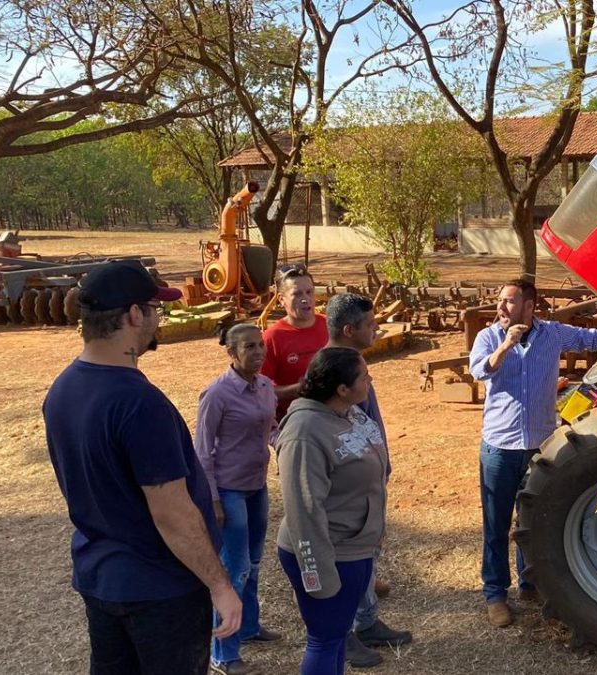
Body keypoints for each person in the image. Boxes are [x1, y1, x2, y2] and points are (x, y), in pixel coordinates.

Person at [43, 260, 242, 675]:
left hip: (101, 580)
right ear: (134, 314)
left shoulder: (62, 389)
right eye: (156, 308)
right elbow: (171, 513)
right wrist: (221, 586)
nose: (159, 317)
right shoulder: (139, 404)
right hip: (160, 590)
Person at [467, 279, 597, 627]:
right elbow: (480, 371)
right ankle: (495, 594)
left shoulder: (552, 335)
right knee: (496, 523)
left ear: (529, 305)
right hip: (499, 447)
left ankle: (529, 584)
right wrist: (507, 344)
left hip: (539, 445)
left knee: (532, 519)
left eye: (508, 301)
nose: (501, 307)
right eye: (500, 301)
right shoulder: (490, 337)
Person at [276, 348, 388, 675]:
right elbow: (304, 509)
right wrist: (319, 574)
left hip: (354, 548)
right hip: (331, 553)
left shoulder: (348, 412)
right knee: (324, 638)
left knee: (337, 635)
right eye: (364, 377)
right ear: (341, 388)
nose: (370, 380)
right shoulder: (304, 433)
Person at [323, 293, 413, 668]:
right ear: (349, 330)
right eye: (370, 324)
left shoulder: (353, 363)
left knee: (367, 555)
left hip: (368, 482)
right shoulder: (330, 370)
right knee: (345, 560)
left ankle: (366, 621)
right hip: (348, 488)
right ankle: (342, 634)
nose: (377, 329)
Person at [195, 324, 281, 675]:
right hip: (229, 490)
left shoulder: (265, 386)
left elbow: (271, 427)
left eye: (260, 345)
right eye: (249, 347)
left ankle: (248, 628)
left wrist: (287, 443)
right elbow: (201, 452)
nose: (258, 352)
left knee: (255, 562)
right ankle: (223, 653)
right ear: (231, 354)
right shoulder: (216, 394)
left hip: (256, 487)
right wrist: (213, 500)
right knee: (235, 568)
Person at [262, 264, 328, 418]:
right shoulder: (272, 337)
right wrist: (296, 389)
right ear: (281, 300)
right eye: (297, 294)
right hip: (294, 421)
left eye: (309, 292)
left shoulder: (330, 325)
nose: (305, 299)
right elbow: (258, 390)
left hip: (335, 417)